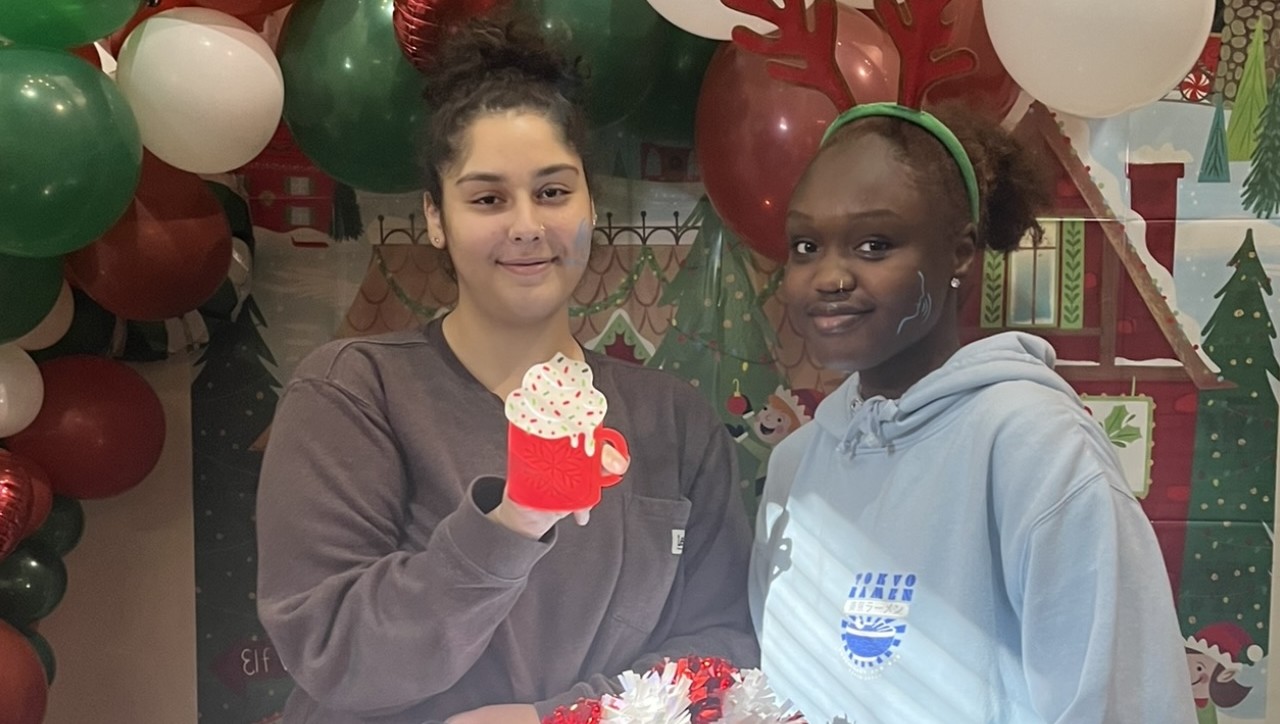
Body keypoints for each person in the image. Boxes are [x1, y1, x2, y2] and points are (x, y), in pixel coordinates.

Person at [255, 16, 757, 724]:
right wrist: (513, 521)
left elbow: (722, 646)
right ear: (435, 216)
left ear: (590, 203)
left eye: (553, 192)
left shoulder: (674, 423)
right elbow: (338, 651)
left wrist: (563, 718)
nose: (526, 225)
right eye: (488, 198)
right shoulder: (354, 392)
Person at [749, 101, 1197, 723]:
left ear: (959, 255)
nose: (828, 276)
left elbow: (1122, 703)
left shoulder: (1037, 448)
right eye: (805, 245)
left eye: (874, 244)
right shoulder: (797, 465)